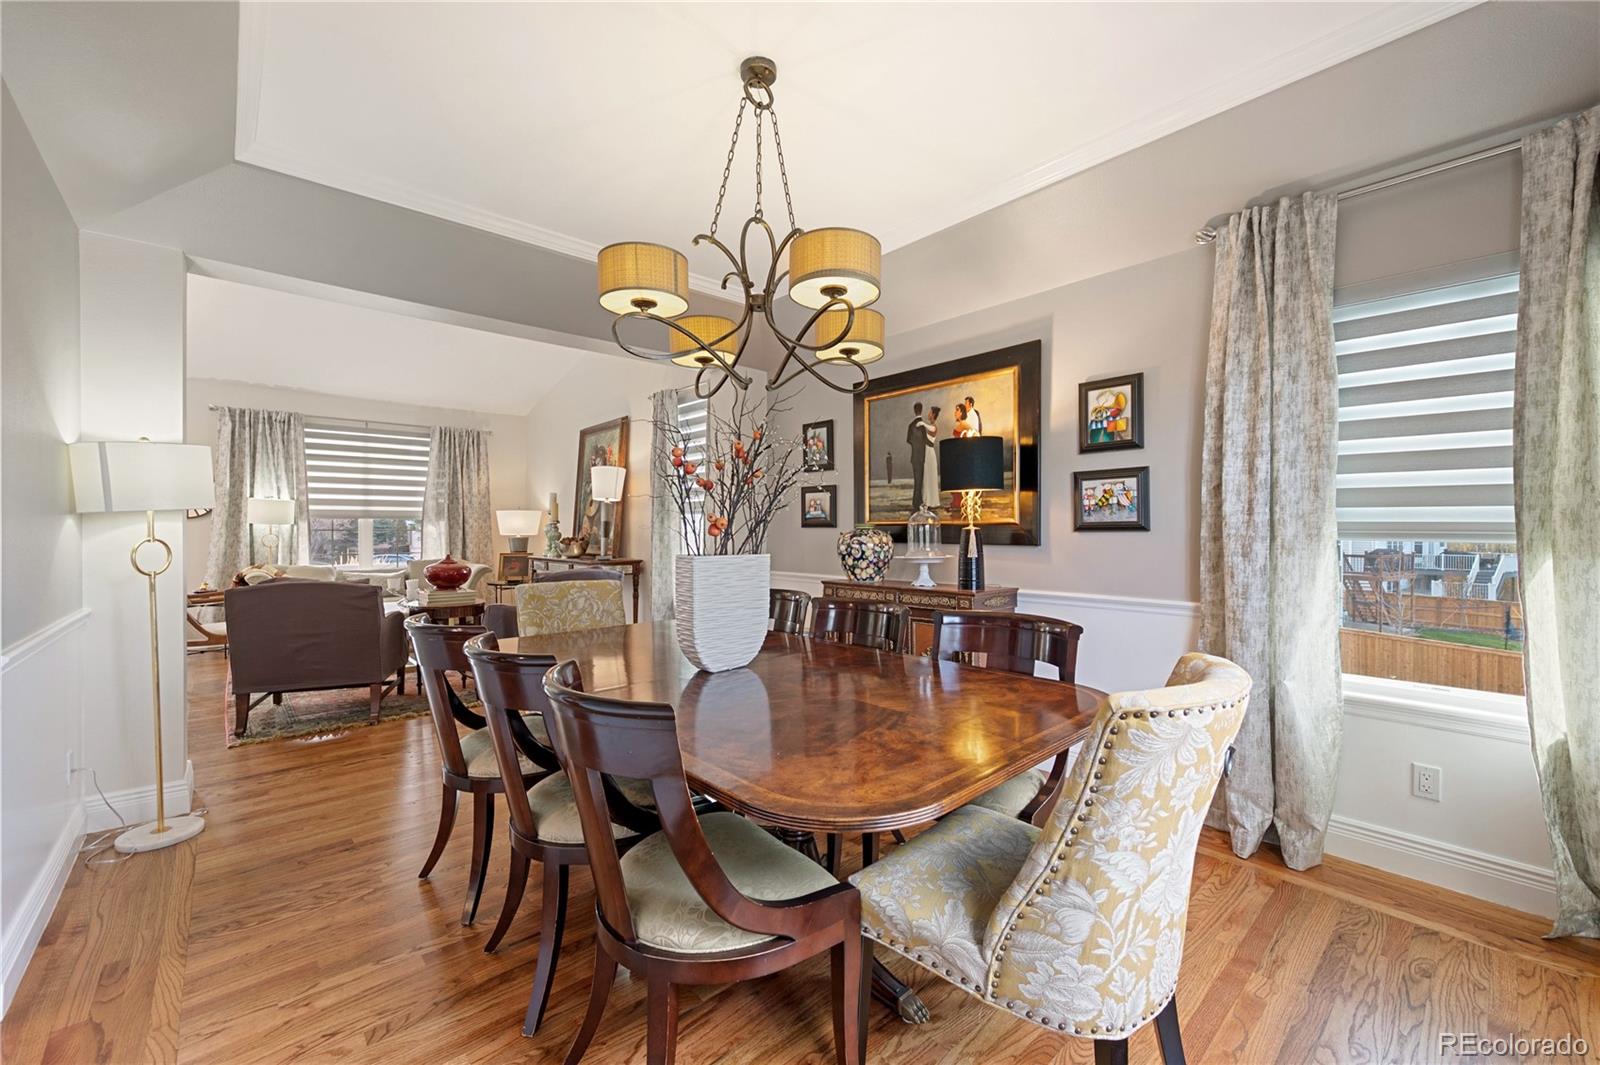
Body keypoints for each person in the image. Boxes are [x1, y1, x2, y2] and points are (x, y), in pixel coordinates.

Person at [918, 406, 942, 509]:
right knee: (927, 476)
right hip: (927, 453)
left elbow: (930, 428)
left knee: (930, 476)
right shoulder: (930, 427)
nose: (928, 414)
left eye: (930, 412)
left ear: (933, 415)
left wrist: (922, 423)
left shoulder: (934, 427)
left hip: (930, 454)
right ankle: (927, 500)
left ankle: (931, 501)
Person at [906, 401, 928, 506]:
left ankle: (916, 501)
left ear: (914, 410)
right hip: (922, 456)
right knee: (920, 480)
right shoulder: (923, 426)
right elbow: (926, 440)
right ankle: (917, 502)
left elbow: (908, 440)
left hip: (914, 456)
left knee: (917, 480)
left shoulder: (911, 425)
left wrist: (915, 445)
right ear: (921, 410)